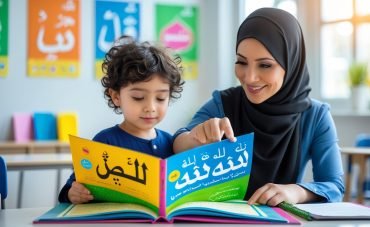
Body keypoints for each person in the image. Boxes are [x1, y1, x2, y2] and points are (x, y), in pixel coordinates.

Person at [173, 8, 344, 206]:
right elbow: (177, 142)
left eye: (265, 65)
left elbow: (334, 186)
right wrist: (195, 138)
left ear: (291, 63)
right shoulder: (224, 103)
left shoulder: (315, 116)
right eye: (241, 62)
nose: (249, 77)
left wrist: (296, 192)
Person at [59, 36, 184, 204]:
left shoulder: (172, 143)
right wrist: (72, 194)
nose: (151, 107)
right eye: (138, 97)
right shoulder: (105, 142)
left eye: (161, 98)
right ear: (116, 96)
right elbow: (71, 188)